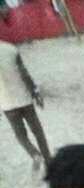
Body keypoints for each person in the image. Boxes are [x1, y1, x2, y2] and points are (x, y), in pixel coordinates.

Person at [0, 39, 50, 171]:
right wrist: (35, 93)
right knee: (38, 132)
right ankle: (49, 161)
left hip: (6, 103)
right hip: (24, 98)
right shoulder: (10, 49)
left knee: (20, 136)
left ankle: (34, 154)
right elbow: (24, 74)